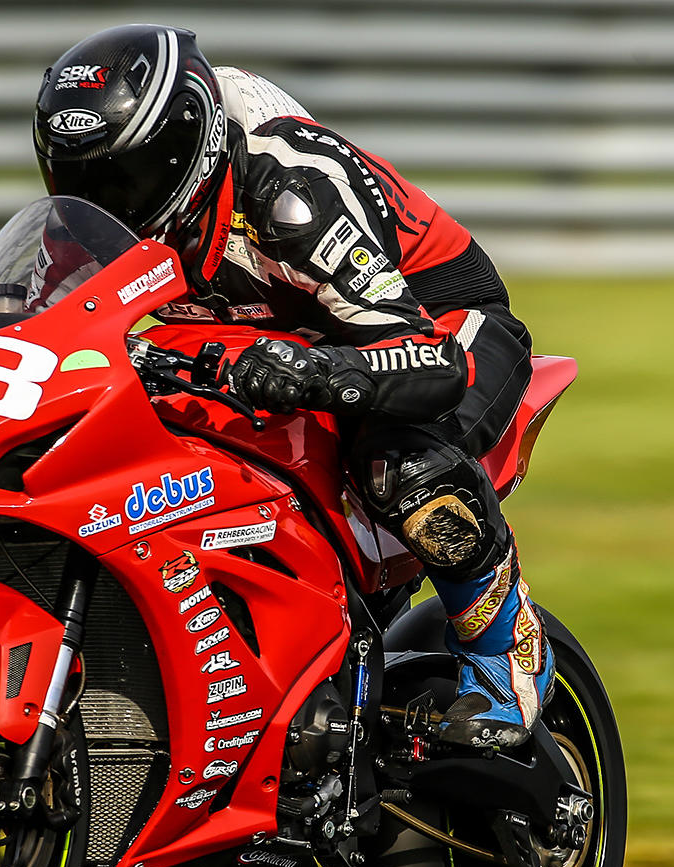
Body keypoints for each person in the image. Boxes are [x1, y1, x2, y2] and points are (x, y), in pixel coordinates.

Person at [34, 25, 549, 751]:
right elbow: (30, 325)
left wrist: (313, 371)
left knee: (397, 463)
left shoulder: (291, 192)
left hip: (432, 324)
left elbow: (429, 361)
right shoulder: (89, 223)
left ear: (187, 148)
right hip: (267, 334)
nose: (102, 202)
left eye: (125, 178)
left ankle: (504, 648)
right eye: (78, 180)